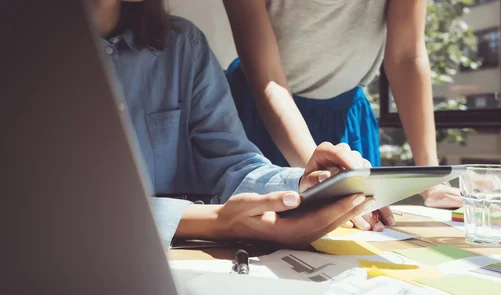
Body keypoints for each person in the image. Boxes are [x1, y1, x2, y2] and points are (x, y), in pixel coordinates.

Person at [88, 0, 393, 249]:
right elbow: (56, 205)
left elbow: (232, 166)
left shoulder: (183, 45)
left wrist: (307, 185)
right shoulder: (40, 53)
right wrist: (215, 222)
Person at [223, 0, 462, 209]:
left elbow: (406, 58)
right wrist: (323, 180)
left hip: (347, 121)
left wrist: (431, 178)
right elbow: (269, 80)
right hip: (260, 117)